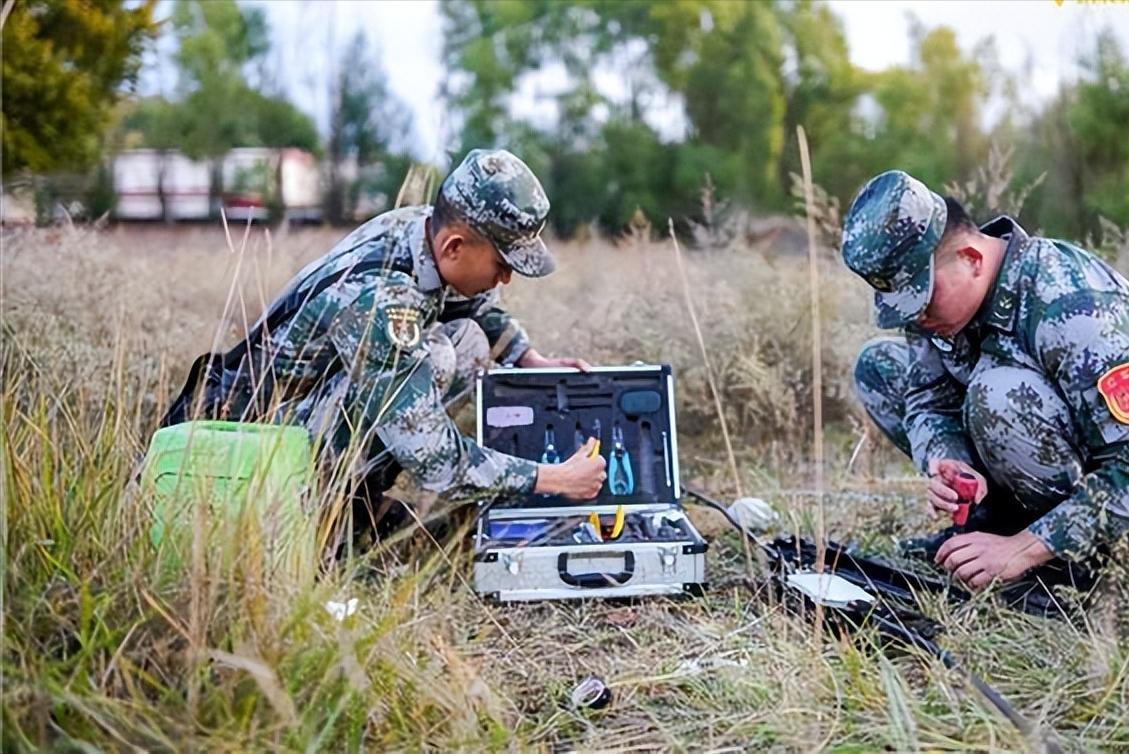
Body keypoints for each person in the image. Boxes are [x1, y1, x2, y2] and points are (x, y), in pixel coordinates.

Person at [161, 149, 606, 529]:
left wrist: (528, 357)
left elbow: (475, 304)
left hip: (307, 406)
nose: (507, 277)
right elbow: (435, 460)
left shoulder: (423, 229)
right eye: (502, 261)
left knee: (468, 342)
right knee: (435, 357)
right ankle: (327, 520)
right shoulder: (378, 300)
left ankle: (356, 498)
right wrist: (552, 479)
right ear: (454, 247)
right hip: (249, 445)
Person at [842, 169, 1129, 589]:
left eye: (923, 297)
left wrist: (1025, 547)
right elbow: (927, 398)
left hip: (1108, 509)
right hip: (1034, 481)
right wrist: (946, 459)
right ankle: (984, 533)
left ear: (972, 259)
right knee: (879, 367)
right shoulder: (935, 309)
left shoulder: (1073, 306)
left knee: (998, 394)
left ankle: (1068, 564)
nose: (917, 317)